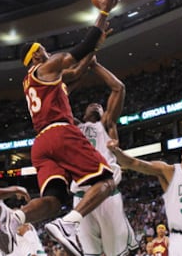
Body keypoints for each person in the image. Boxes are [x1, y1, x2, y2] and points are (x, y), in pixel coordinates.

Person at [0, 0, 120, 256]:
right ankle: (69, 224)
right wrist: (103, 13)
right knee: (107, 182)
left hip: (40, 144)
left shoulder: (34, 83)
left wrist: (95, 49)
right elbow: (78, 52)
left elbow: (75, 72)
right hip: (60, 133)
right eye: (43, 50)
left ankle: (15, 218)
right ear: (37, 56)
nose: (48, 51)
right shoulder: (45, 67)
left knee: (54, 200)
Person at [69, 58, 138, 255]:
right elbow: (59, 98)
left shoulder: (106, 124)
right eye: (91, 105)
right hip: (81, 198)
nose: (96, 105)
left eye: (99, 105)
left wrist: (94, 66)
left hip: (106, 194)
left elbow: (119, 89)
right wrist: (78, 75)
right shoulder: (73, 128)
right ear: (82, 114)